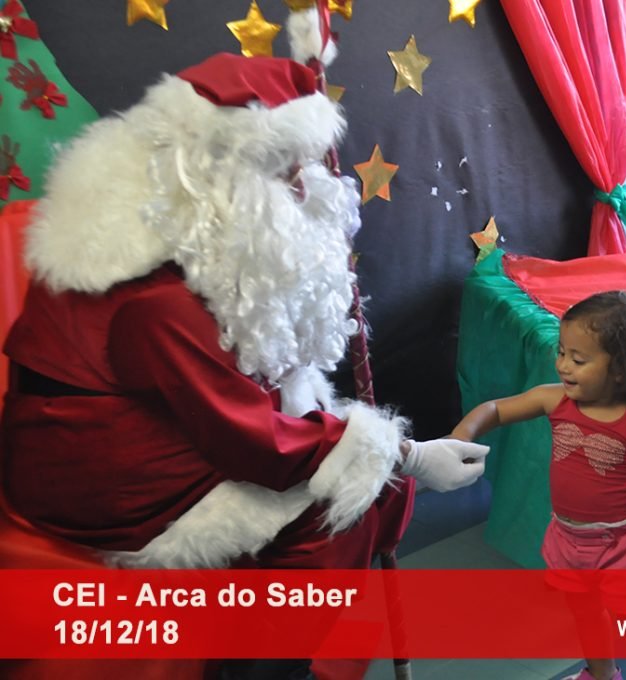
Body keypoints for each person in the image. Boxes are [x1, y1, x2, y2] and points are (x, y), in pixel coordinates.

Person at [0, 52, 487, 678]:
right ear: (216, 180)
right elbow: (257, 443)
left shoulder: (177, 232)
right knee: (344, 501)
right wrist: (408, 454)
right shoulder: (157, 299)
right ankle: (265, 665)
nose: (305, 187)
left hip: (162, 425)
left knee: (353, 463)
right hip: (106, 480)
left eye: (305, 165)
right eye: (284, 172)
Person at [451, 290, 626, 680]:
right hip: (569, 537)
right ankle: (602, 673)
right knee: (586, 614)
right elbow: (496, 409)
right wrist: (461, 435)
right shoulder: (554, 399)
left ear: (621, 369)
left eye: (578, 359)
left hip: (622, 543)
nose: (563, 366)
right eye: (561, 353)